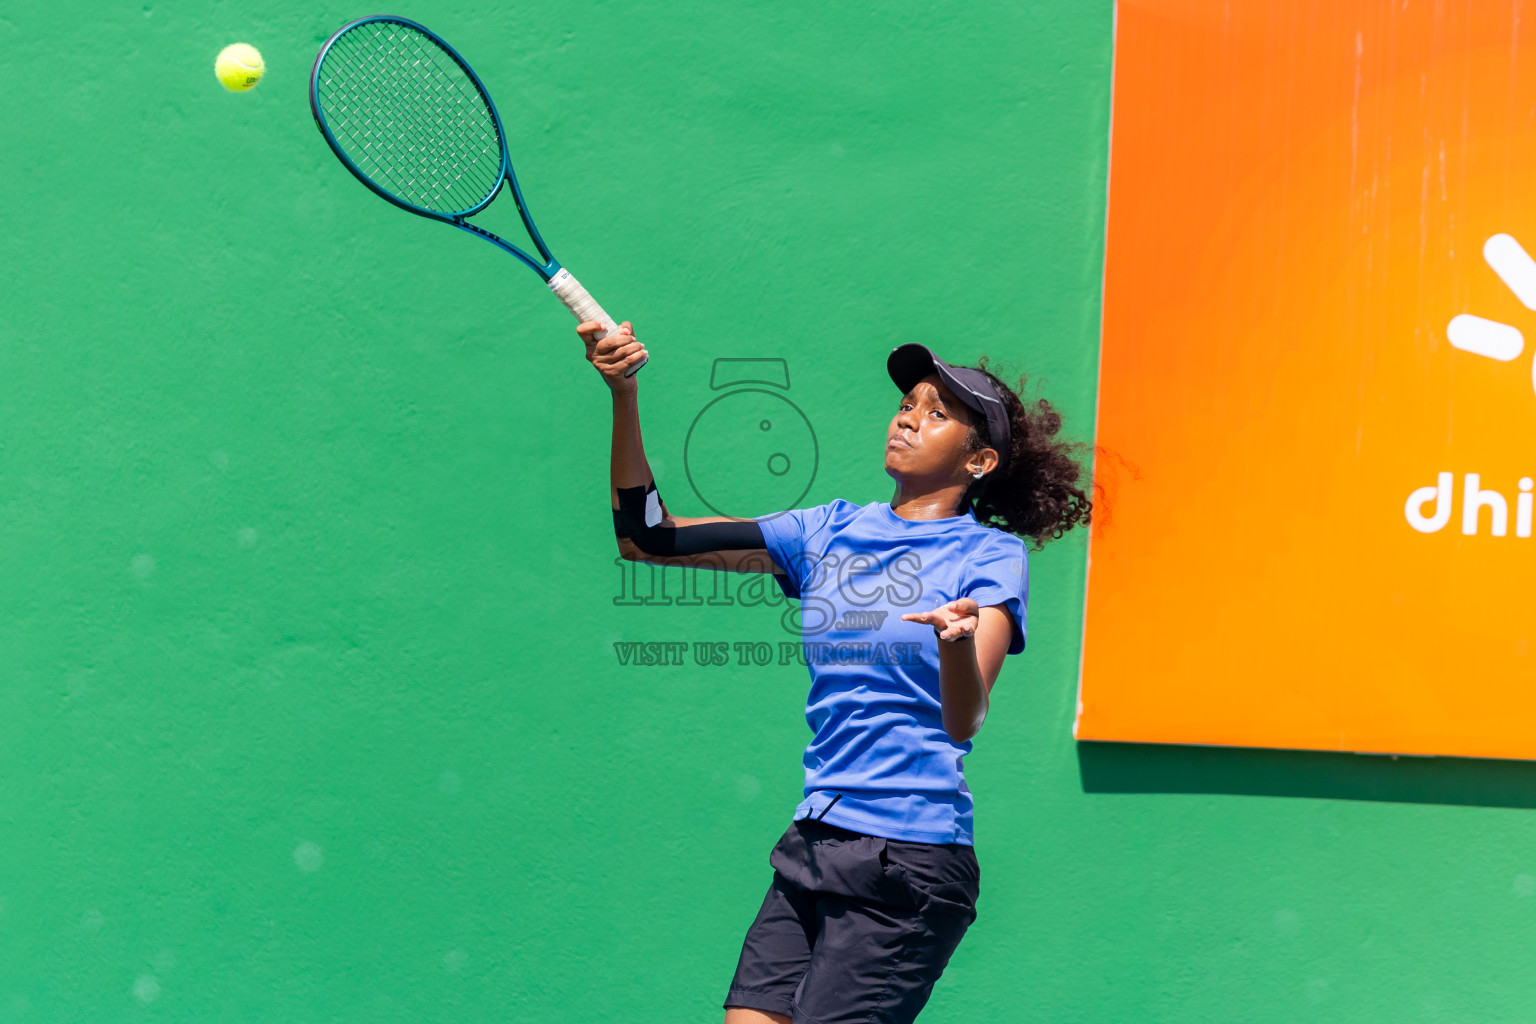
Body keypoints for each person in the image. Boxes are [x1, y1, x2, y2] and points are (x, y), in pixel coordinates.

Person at [578, 318, 1093, 1024]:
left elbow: (964, 716)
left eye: (937, 415)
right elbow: (648, 537)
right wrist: (623, 395)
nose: (909, 419)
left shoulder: (989, 558)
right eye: (908, 404)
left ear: (979, 463)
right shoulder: (825, 531)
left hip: (908, 861)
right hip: (815, 838)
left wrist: (952, 645)